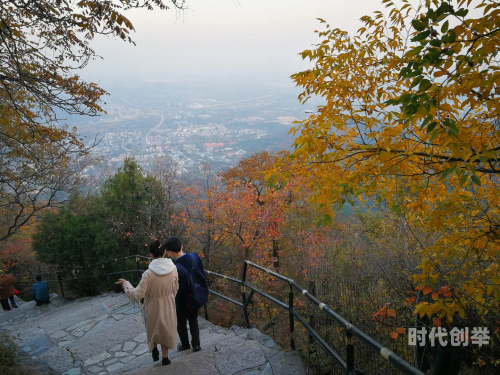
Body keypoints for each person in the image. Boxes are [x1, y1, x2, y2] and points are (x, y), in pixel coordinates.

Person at [115, 240, 178, 366]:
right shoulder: (173, 269)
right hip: (168, 304)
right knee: (165, 330)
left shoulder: (147, 274)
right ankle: (165, 358)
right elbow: (175, 288)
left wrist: (126, 284)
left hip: (152, 306)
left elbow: (137, 295)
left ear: (150, 255)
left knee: (153, 328)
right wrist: (169, 298)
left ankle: (154, 348)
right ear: (165, 252)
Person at [162, 237, 204, 353]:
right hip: (196, 295)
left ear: (169, 253)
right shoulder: (194, 257)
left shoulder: (174, 269)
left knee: (181, 323)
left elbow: (176, 288)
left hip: (182, 299)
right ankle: (196, 345)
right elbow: (201, 273)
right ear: (181, 246)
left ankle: (185, 346)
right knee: (193, 319)